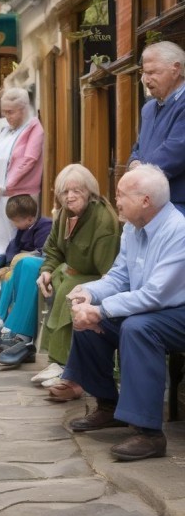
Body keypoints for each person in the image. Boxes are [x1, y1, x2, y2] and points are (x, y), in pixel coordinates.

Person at [63, 165, 185, 461]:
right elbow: (119, 277)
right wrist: (88, 294)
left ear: (145, 200)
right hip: (151, 308)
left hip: (177, 310)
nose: (115, 200)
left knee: (138, 328)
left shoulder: (178, 231)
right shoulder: (132, 228)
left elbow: (157, 293)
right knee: (87, 323)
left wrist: (101, 310)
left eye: (121, 195)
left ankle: (149, 434)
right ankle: (109, 406)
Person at [33, 164, 121, 397]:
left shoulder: (103, 222)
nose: (70, 197)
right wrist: (47, 271)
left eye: (77, 191)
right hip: (71, 270)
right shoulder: (64, 213)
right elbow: (53, 249)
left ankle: (62, 364)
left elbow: (109, 273)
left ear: (90, 191)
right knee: (47, 280)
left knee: (69, 290)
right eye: (64, 192)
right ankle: (54, 359)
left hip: (99, 277)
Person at [0, 195, 52, 366]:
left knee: (25, 265)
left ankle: (13, 332)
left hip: (36, 262)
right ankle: (4, 321)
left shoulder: (45, 226)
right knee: (8, 273)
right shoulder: (23, 230)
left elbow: (43, 250)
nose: (14, 224)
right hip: (25, 262)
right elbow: (13, 247)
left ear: (30, 218)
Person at [0, 87, 44, 254]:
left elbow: (29, 160)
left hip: (18, 194)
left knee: (15, 239)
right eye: (4, 112)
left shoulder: (34, 128)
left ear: (23, 110)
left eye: (11, 112)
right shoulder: (6, 130)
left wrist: (4, 185)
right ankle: (2, 268)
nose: (7, 117)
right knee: (1, 239)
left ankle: (11, 271)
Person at [128, 41, 185, 213]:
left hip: (178, 205)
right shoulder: (148, 108)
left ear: (176, 69)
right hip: (147, 204)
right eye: (144, 73)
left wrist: (138, 173)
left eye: (152, 72)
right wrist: (133, 162)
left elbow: (175, 151)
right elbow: (138, 147)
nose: (146, 80)